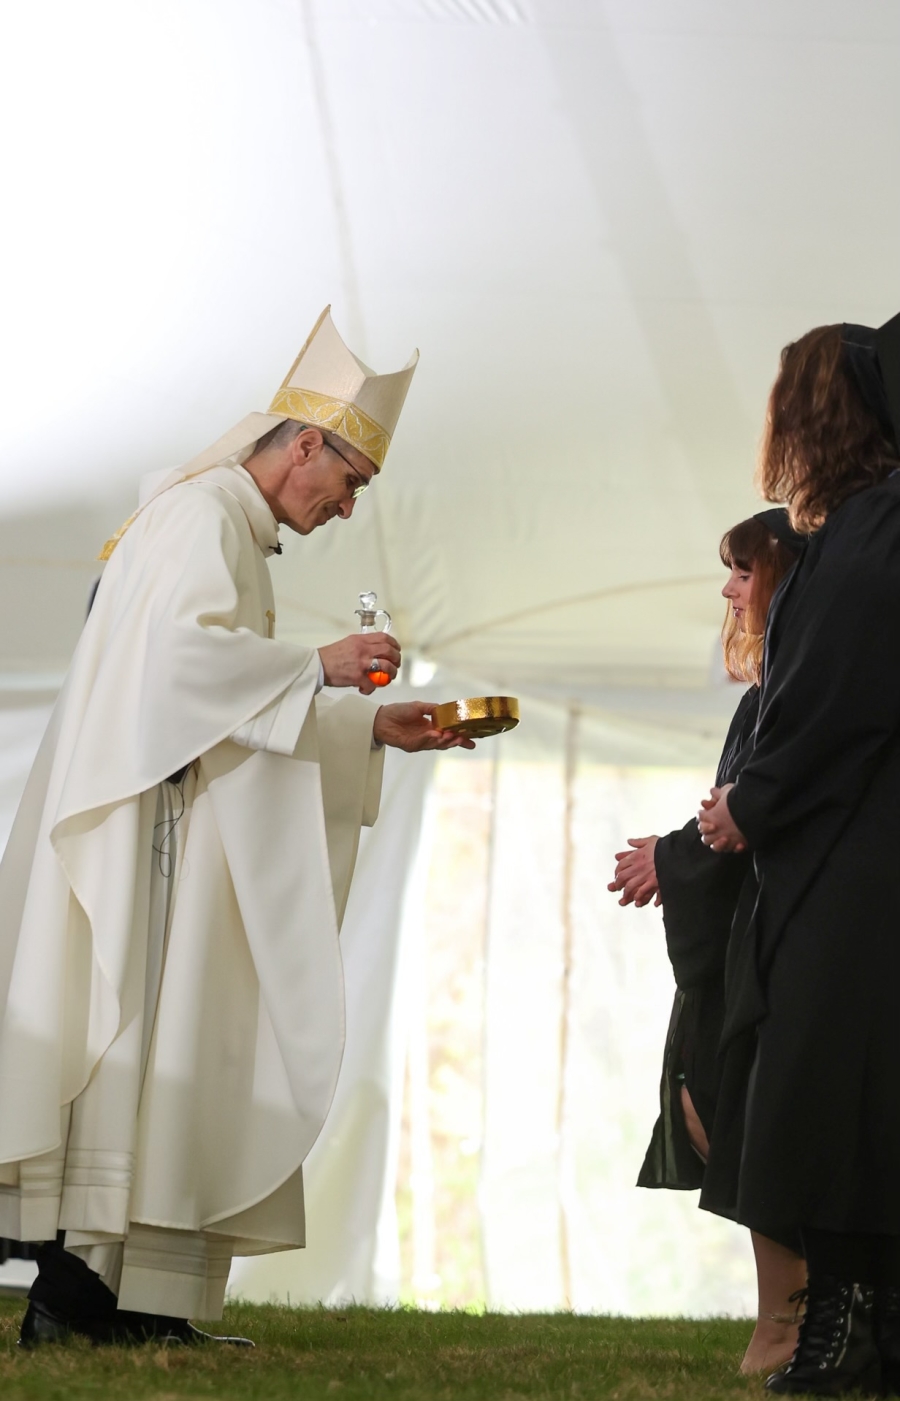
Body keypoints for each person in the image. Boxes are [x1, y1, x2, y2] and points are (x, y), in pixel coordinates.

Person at [0, 306, 474, 1347]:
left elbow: (204, 692)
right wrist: (320, 666)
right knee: (139, 1057)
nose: (346, 509)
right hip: (140, 844)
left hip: (167, 835)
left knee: (166, 1064)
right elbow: (174, 670)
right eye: (347, 483)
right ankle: (78, 1306)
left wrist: (364, 727)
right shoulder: (202, 517)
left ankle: (118, 1308)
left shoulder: (217, 521)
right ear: (305, 442)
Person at [698, 314, 900, 1397]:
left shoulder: (869, 537)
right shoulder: (863, 531)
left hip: (854, 863)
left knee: (824, 1085)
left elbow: (829, 699)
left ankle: (842, 1330)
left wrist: (752, 803)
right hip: (852, 849)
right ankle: (855, 1324)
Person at [609, 511, 805, 1375]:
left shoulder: (801, 689)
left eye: (742, 569)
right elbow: (734, 812)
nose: (729, 589)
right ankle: (790, 1312)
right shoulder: (766, 692)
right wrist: (679, 850)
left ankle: (789, 1316)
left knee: (752, 1116)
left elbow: (774, 808)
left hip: (788, 940)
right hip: (741, 929)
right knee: (716, 1106)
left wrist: (672, 856)